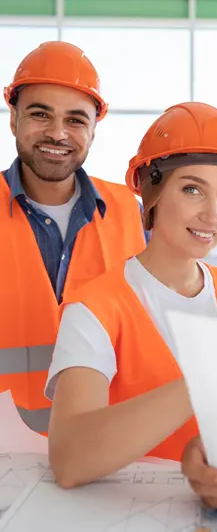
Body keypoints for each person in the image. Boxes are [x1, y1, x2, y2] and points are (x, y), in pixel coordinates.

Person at [45, 101, 217, 491]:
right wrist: (207, 379)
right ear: (151, 193)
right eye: (192, 190)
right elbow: (70, 459)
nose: (213, 216)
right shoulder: (95, 308)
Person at [0, 41, 148, 436]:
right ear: (12, 118)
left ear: (94, 129)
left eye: (76, 120)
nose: (57, 133)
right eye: (40, 114)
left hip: (107, 445)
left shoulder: (131, 212)